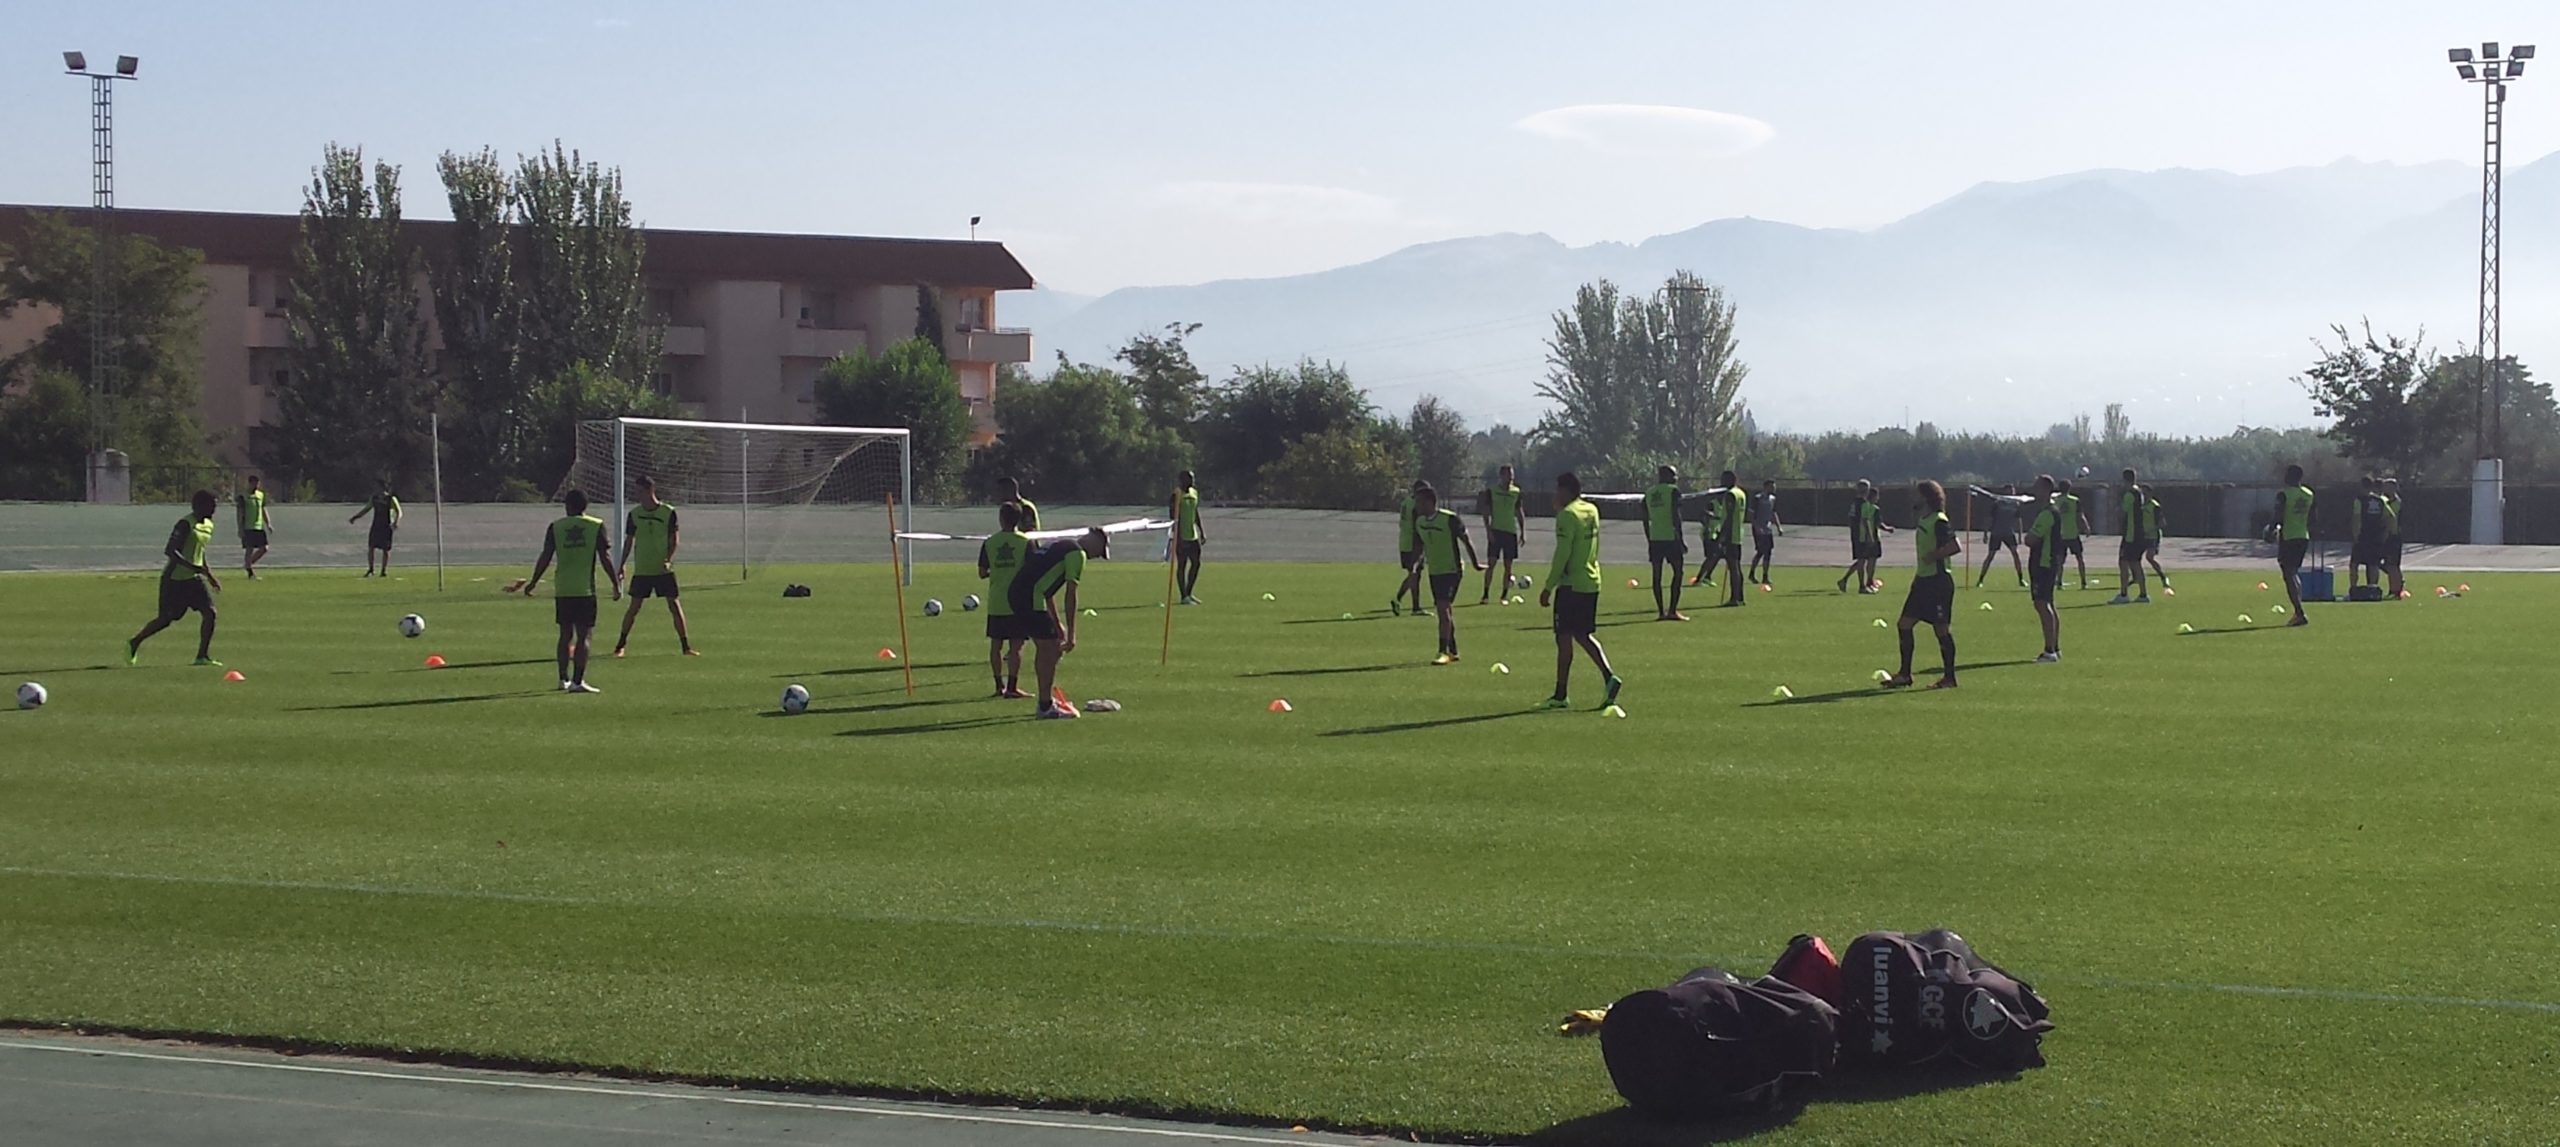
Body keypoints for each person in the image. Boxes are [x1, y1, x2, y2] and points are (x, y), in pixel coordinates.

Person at [523, 489, 622, 694]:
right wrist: (615, 583)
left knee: (564, 634)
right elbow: (605, 557)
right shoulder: (595, 526)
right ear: (585, 506)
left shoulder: (556, 527)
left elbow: (546, 557)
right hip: (584, 589)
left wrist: (533, 582)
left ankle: (562, 678)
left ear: (568, 506)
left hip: (563, 588)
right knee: (584, 635)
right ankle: (578, 681)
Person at [1539, 471, 1623, 711]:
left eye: (1557, 490)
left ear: (1565, 490)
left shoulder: (1566, 515)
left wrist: (1548, 586)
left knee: (1564, 638)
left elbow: (1562, 553)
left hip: (1571, 584)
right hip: (1591, 581)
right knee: (1583, 635)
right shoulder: (1591, 510)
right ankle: (1609, 677)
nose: (1555, 495)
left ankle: (1560, 694)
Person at [1011, 526, 1112, 719]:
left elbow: (1048, 589)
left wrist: (1058, 625)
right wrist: (1072, 633)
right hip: (1029, 597)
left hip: (1020, 593)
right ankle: (1045, 705)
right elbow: (1071, 594)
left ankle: (1046, 700)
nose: (1097, 556)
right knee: (1049, 648)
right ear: (1096, 542)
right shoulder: (1077, 553)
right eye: (1100, 552)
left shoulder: (1061, 545)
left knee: (1051, 645)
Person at [126, 490, 224, 667]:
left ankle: (202, 656)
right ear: (199, 506)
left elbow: (200, 553)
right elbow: (170, 550)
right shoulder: (185, 524)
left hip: (193, 579)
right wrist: (191, 566)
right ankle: (135, 642)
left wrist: (210, 576)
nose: (214, 509)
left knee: (210, 613)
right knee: (166, 619)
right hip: (175, 579)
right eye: (211, 505)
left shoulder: (208, 525)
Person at [1883, 480, 1963, 690]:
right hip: (1922, 581)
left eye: (1917, 494)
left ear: (1926, 497)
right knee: (1904, 624)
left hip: (1938, 582)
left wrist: (1934, 555)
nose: (1913, 498)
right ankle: (1905, 674)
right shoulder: (1925, 519)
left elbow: (1955, 546)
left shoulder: (1939, 520)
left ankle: (1949, 677)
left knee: (1941, 629)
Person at [612, 475, 696, 658]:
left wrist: (668, 559)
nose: (637, 495)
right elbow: (629, 541)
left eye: (640, 491)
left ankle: (686, 646)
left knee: (674, 605)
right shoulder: (634, 514)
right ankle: (620, 646)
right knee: (634, 608)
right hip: (643, 569)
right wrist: (622, 564)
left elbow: (674, 540)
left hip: (662, 570)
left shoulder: (668, 512)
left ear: (650, 490)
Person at [1411, 484, 1486, 664]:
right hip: (1434, 571)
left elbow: (1466, 540)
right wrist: (1414, 567)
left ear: (1430, 502)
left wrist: (1475, 563)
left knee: (1443, 610)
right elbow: (1419, 546)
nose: (1417, 506)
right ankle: (1453, 651)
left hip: (1452, 570)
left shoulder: (1449, 519)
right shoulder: (1420, 522)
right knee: (1445, 611)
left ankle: (1442, 651)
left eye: (1419, 502)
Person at [977, 501, 1033, 698]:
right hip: (1018, 602)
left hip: (997, 601)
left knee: (996, 645)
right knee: (1017, 646)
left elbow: (982, 572)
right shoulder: (1026, 542)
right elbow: (1032, 570)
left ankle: (998, 685)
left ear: (1000, 519)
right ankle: (1012, 687)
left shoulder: (989, 542)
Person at [2024, 475, 2064, 663]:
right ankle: (2054, 647)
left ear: (2046, 490)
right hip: (2047, 562)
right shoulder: (2050, 511)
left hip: (2043, 563)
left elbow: (2031, 539)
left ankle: (2050, 650)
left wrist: (2030, 535)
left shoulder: (2047, 514)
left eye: (2037, 486)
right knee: (2048, 603)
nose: (2034, 489)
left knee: (2042, 604)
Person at [1643, 465, 1689, 621]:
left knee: (1657, 576)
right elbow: (1676, 516)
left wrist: (1649, 537)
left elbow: (1644, 517)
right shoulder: (1673, 491)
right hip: (1671, 538)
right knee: (1678, 572)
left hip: (1655, 539)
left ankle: (1661, 611)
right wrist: (1681, 538)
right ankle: (1673, 610)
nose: (1676, 478)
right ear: (1668, 476)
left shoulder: (1649, 493)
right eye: (1674, 475)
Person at [2272, 464, 2315, 627]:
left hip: (2288, 536)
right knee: (2293, 573)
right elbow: (2312, 516)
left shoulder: (2284, 494)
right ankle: (2298, 609)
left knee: (2288, 574)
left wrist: (2271, 528)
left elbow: (2279, 515)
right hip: (2303, 535)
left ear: (2290, 477)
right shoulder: (2308, 494)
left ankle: (2299, 611)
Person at [1479, 464, 1526, 604]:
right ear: (1501, 476)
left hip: (1510, 532)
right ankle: (1486, 594)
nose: (1510, 478)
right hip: (1496, 531)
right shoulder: (1492, 491)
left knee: (1508, 566)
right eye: (1508, 475)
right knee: (1491, 563)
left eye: (1512, 475)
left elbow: (1519, 512)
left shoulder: (1516, 492)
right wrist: (1488, 531)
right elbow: (1486, 512)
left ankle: (1504, 595)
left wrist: (1523, 531)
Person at [1837, 480, 1894, 594]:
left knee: (1862, 559)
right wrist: (1870, 536)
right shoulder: (1865, 504)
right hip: (1865, 536)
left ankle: (1850, 581)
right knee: (1866, 560)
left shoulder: (1855, 503)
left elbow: (1852, 520)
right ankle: (1864, 585)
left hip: (1857, 535)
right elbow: (1866, 520)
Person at [1973, 483, 2027, 589]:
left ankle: (2021, 579)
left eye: (2013, 491)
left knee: (2016, 554)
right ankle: (1980, 580)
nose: (2012, 493)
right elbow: (1989, 519)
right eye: (2010, 491)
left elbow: (2018, 519)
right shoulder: (1998, 503)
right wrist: (1985, 533)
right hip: (1997, 532)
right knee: (1990, 556)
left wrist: (2020, 535)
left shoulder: (2016, 504)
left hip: (2009, 532)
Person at [2111, 469, 2151, 605]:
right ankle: (2143, 594)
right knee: (2136, 563)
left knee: (2123, 563)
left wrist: (2117, 510)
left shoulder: (2129, 494)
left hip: (2131, 534)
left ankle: (2124, 594)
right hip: (2139, 533)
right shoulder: (2139, 492)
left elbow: (2122, 512)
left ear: (2124, 479)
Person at [1390, 480, 1426, 616]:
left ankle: (1402, 600)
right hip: (1413, 543)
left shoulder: (1406, 502)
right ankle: (1413, 606)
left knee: (1414, 574)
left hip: (1404, 541)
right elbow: (1418, 525)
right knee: (1415, 574)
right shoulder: (1417, 505)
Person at [349, 482, 401, 576]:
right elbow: (366, 509)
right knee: (371, 547)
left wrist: (396, 522)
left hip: (386, 526)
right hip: (376, 525)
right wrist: (355, 517)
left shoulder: (391, 499)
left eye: (377, 487)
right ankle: (371, 569)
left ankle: (383, 571)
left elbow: (399, 511)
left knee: (386, 549)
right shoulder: (374, 498)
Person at [1170, 470, 1206, 605]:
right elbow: (1173, 516)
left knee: (1196, 563)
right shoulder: (1176, 494)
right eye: (1189, 479)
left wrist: (1201, 531)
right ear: (1181, 480)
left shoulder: (1194, 493)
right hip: (1181, 536)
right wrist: (1177, 536)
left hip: (1192, 535)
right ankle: (1183, 595)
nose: (1192, 481)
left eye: (1193, 478)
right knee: (1182, 565)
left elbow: (1195, 512)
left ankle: (1189, 593)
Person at [1714, 470, 1748, 606]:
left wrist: (1721, 536)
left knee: (1733, 567)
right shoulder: (1741, 493)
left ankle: (1734, 598)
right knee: (1737, 566)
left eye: (1723, 480)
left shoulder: (1730, 495)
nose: (1721, 482)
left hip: (1730, 534)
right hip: (1738, 533)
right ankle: (1740, 596)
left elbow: (1728, 518)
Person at [2351, 475, 2386, 592]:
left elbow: (2357, 518)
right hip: (2376, 536)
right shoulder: (2380, 500)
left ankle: (2353, 587)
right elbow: (2388, 517)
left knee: (2354, 564)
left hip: (2363, 536)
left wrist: (2355, 535)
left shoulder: (2359, 500)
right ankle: (2373, 588)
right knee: (2373, 564)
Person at [235, 474, 272, 579]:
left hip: (259, 526)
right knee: (249, 549)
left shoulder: (260, 495)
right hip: (248, 527)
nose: (256, 485)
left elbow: (263, 509)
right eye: (254, 483)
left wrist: (268, 523)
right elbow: (240, 513)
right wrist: (240, 528)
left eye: (258, 483)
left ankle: (248, 564)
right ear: (249, 483)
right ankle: (250, 572)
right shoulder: (243, 497)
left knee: (264, 548)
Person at [2055, 479, 2090, 588]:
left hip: (2060, 534)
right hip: (2073, 533)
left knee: (2060, 560)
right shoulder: (2074, 500)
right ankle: (2083, 582)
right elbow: (2080, 516)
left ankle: (2059, 582)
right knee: (2079, 558)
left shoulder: (2056, 501)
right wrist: (2086, 527)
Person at [1747, 479, 1782, 587]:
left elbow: (1773, 513)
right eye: (1772, 486)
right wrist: (1756, 527)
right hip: (1759, 528)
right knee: (1760, 552)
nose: (1774, 489)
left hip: (1768, 529)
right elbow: (1751, 514)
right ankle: (1752, 573)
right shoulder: (1758, 498)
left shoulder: (1772, 499)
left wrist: (1779, 527)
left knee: (1768, 552)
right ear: (1766, 487)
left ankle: (1765, 576)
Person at [2380, 477, 2405, 598]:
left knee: (2393, 564)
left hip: (2393, 536)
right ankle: (2394, 586)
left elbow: (2390, 517)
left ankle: (2397, 589)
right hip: (2385, 536)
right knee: (2386, 564)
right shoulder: (2385, 500)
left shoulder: (2396, 502)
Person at [2143, 489, 2171, 591]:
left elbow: (2162, 523)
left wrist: (2151, 530)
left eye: (2145, 493)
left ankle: (2162, 576)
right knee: (2133, 558)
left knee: (2149, 557)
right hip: (2142, 536)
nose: (2144, 495)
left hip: (2153, 536)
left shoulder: (2154, 506)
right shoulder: (2140, 505)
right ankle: (2137, 577)